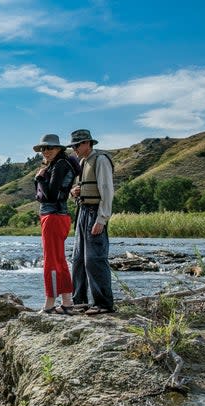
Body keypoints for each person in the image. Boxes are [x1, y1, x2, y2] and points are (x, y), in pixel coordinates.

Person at [68, 129, 115, 314]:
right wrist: (74, 192)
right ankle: (79, 301)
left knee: (94, 259)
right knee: (78, 259)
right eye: (73, 145)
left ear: (88, 143)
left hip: (95, 213)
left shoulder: (100, 160)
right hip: (83, 212)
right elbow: (81, 187)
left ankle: (103, 304)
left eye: (77, 145)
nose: (75, 148)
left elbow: (107, 191)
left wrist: (102, 219)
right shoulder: (82, 162)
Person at [32, 134, 78, 314]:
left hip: (53, 217)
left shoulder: (59, 165)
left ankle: (49, 303)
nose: (45, 151)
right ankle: (67, 303)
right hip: (58, 216)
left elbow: (49, 195)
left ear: (59, 148)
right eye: (43, 149)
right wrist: (39, 179)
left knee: (51, 262)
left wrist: (39, 179)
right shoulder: (59, 164)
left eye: (49, 148)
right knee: (60, 260)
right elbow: (40, 195)